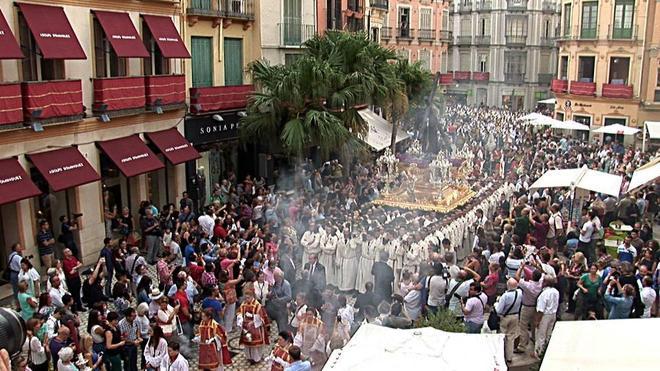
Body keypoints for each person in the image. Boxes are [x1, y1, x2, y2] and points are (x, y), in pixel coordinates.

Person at [237, 288, 271, 364]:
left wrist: (253, 321)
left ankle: (257, 358)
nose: (247, 299)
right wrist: (241, 320)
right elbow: (239, 313)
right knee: (247, 344)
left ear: (252, 296)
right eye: (246, 298)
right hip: (246, 327)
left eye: (248, 298)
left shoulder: (257, 305)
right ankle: (249, 357)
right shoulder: (243, 304)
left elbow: (260, 316)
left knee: (255, 345)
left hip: (255, 327)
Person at [494, 278, 522, 363]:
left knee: (502, 336)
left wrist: (496, 304)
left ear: (507, 285)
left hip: (505, 317)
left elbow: (499, 310)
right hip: (515, 316)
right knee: (511, 337)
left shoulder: (505, 296)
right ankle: (509, 357)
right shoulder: (520, 293)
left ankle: (501, 355)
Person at [534, 276, 559, 358]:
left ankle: (539, 353)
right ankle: (546, 351)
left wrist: (537, 321)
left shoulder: (544, 294)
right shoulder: (556, 291)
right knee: (548, 334)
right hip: (553, 314)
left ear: (545, 283)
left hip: (545, 315)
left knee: (541, 335)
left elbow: (540, 310)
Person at [7, 243, 25, 309]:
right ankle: (21, 305)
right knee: (21, 289)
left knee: (15, 290)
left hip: (12, 273)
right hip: (17, 274)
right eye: (19, 247)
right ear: (15, 248)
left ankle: (18, 305)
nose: (20, 248)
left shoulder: (10, 256)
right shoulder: (17, 257)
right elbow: (22, 265)